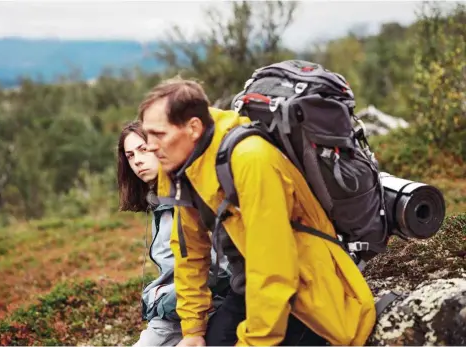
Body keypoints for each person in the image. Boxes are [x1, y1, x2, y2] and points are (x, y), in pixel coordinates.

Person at [139, 77, 377, 346]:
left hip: (304, 292)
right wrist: (193, 328)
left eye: (158, 134)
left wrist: (253, 342)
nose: (149, 145)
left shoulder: (250, 160)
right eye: (147, 133)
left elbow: (275, 268)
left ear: (193, 127)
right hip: (249, 287)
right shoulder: (180, 165)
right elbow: (189, 251)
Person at [117, 121, 230, 347]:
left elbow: (221, 272)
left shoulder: (192, 198)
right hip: (177, 316)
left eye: (143, 149)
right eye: (130, 156)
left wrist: (162, 301)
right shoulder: (160, 203)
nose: (137, 160)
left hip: (205, 312)